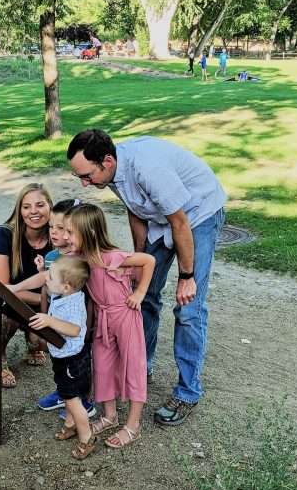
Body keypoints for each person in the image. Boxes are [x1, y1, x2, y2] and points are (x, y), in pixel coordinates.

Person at [67, 130, 226, 427]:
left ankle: (188, 392)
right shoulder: (111, 173)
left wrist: (186, 276)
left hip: (197, 214)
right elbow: (136, 210)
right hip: (162, 217)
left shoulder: (148, 169)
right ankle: (142, 366)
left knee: (189, 308)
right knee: (144, 294)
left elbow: (180, 223)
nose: (84, 183)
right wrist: (137, 262)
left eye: (87, 176)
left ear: (107, 161)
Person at [65, 204, 155, 449]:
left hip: (125, 316)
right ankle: (109, 416)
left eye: (70, 232)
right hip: (103, 320)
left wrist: (139, 292)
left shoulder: (113, 257)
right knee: (102, 367)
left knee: (133, 366)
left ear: (89, 234)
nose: (66, 237)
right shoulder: (80, 259)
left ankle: (133, 425)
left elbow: (148, 260)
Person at [26, 257, 97, 459]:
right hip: (63, 357)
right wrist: (42, 269)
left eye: (49, 277)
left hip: (72, 361)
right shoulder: (63, 294)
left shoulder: (73, 306)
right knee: (67, 394)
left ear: (66, 287)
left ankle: (87, 437)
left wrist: (49, 320)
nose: (45, 279)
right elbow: (51, 287)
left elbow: (74, 329)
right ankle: (70, 424)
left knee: (74, 400)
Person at [34, 199, 96, 418]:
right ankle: (65, 395)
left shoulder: (81, 262)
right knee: (62, 366)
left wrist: (88, 328)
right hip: (57, 322)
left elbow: (89, 301)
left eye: (62, 228)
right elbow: (47, 292)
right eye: (52, 227)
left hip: (75, 326)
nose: (55, 233)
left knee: (77, 366)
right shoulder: (53, 258)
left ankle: (82, 402)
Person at [0, 183, 53, 388]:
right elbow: (2, 288)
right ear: (19, 210)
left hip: (43, 303)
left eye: (40, 205)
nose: (33, 211)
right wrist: (46, 300)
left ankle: (32, 340)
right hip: (10, 302)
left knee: (42, 344)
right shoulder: (4, 234)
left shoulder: (59, 236)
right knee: (6, 312)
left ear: (50, 207)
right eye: (26, 207)